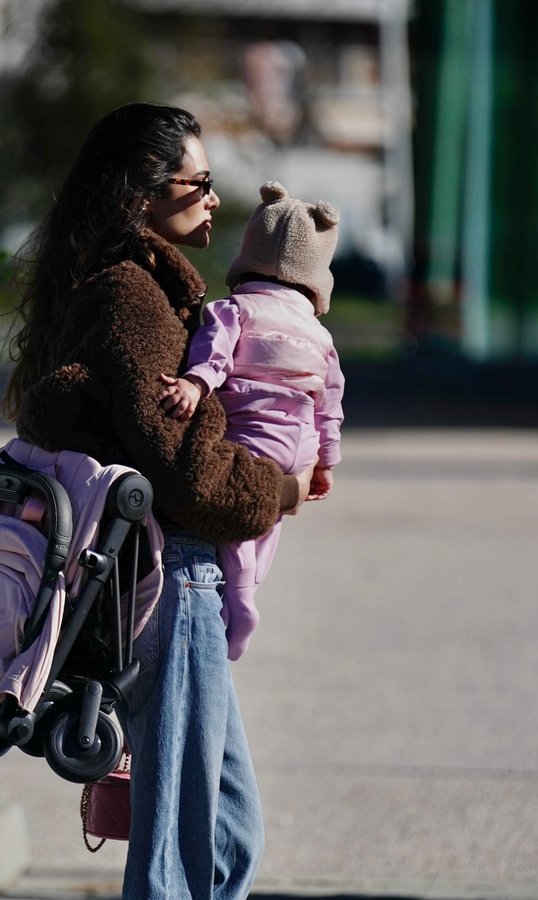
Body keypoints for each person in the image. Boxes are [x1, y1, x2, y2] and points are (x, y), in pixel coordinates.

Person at [3, 102, 315, 900]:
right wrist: (277, 488)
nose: (215, 197)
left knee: (226, 832)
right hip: (169, 581)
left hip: (164, 582)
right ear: (143, 193)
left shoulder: (131, 293)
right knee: (180, 846)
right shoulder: (134, 300)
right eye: (199, 181)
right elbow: (190, 474)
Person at [156, 181, 344, 661]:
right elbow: (330, 403)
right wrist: (325, 459)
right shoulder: (320, 336)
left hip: (251, 435)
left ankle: (238, 599)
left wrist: (194, 386)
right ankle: (252, 587)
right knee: (271, 518)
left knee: (237, 519)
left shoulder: (234, 309)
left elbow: (213, 356)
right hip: (298, 443)